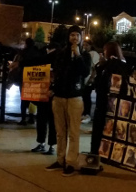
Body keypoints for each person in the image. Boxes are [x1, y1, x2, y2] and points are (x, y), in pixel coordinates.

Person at [45, 25, 91, 177]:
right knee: (60, 131)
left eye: (77, 35)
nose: (74, 38)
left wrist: (77, 55)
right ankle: (60, 159)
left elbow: (84, 72)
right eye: (72, 35)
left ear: (81, 38)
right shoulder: (61, 53)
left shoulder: (84, 55)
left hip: (75, 97)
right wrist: (52, 87)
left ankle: (71, 162)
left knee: (73, 132)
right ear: (68, 37)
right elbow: (55, 72)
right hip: (59, 97)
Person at [90, 42, 130, 157]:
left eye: (105, 50)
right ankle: (97, 151)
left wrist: (105, 64)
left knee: (105, 127)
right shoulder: (108, 64)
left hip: (109, 101)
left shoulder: (115, 64)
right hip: (105, 100)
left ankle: (100, 152)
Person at [32, 42, 59, 155]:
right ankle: (42, 143)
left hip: (52, 95)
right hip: (43, 94)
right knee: (42, 120)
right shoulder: (43, 62)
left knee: (51, 121)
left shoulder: (58, 62)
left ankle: (51, 145)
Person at [16, 38, 42, 125]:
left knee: (24, 98)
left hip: (24, 78)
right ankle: (31, 117)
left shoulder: (23, 52)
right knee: (33, 98)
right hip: (35, 78)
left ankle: (23, 118)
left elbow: (20, 63)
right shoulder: (38, 52)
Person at [81, 40, 100, 124]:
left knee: (86, 96)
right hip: (85, 78)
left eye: (87, 45)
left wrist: (92, 78)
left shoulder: (93, 54)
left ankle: (87, 114)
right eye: (84, 45)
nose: (85, 46)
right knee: (84, 96)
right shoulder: (85, 54)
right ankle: (84, 113)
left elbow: (96, 67)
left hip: (89, 79)